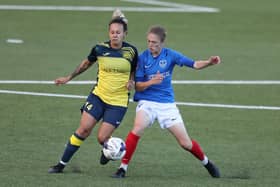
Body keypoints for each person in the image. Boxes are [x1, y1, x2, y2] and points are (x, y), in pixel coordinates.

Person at [112, 25, 221, 178]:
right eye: (149, 41)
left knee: (185, 143)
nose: (151, 45)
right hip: (147, 102)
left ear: (162, 43)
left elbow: (194, 64)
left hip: (166, 105)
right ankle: (122, 168)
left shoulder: (170, 55)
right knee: (137, 129)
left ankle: (207, 163)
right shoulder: (143, 58)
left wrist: (209, 62)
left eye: (154, 42)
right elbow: (138, 87)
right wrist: (152, 82)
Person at [48, 9, 138, 173]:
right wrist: (69, 77)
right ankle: (61, 164)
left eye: (118, 32)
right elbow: (85, 64)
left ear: (125, 34)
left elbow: (134, 69)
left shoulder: (131, 52)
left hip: (117, 102)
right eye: (112, 32)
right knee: (83, 129)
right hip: (98, 96)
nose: (115, 35)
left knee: (102, 138)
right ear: (108, 33)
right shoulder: (99, 49)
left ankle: (108, 151)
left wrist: (132, 81)